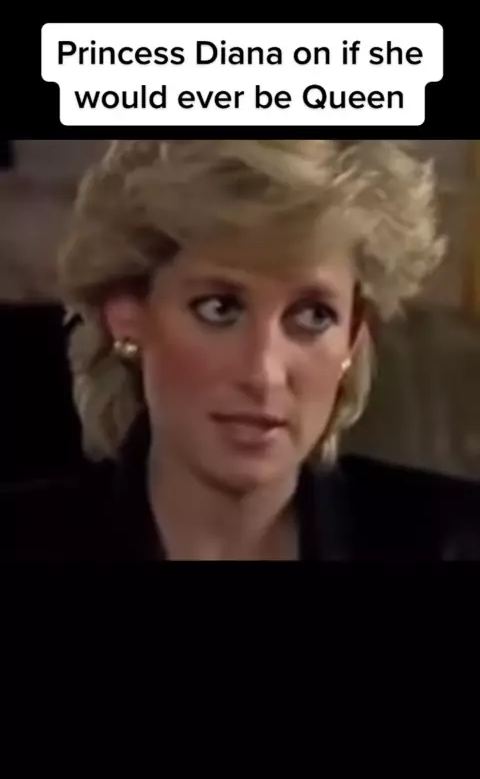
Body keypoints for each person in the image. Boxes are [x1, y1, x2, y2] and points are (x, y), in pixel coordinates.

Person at [1, 139, 480, 561]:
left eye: (313, 316)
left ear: (353, 338)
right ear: (127, 318)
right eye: (219, 309)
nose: (263, 373)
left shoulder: (453, 542)